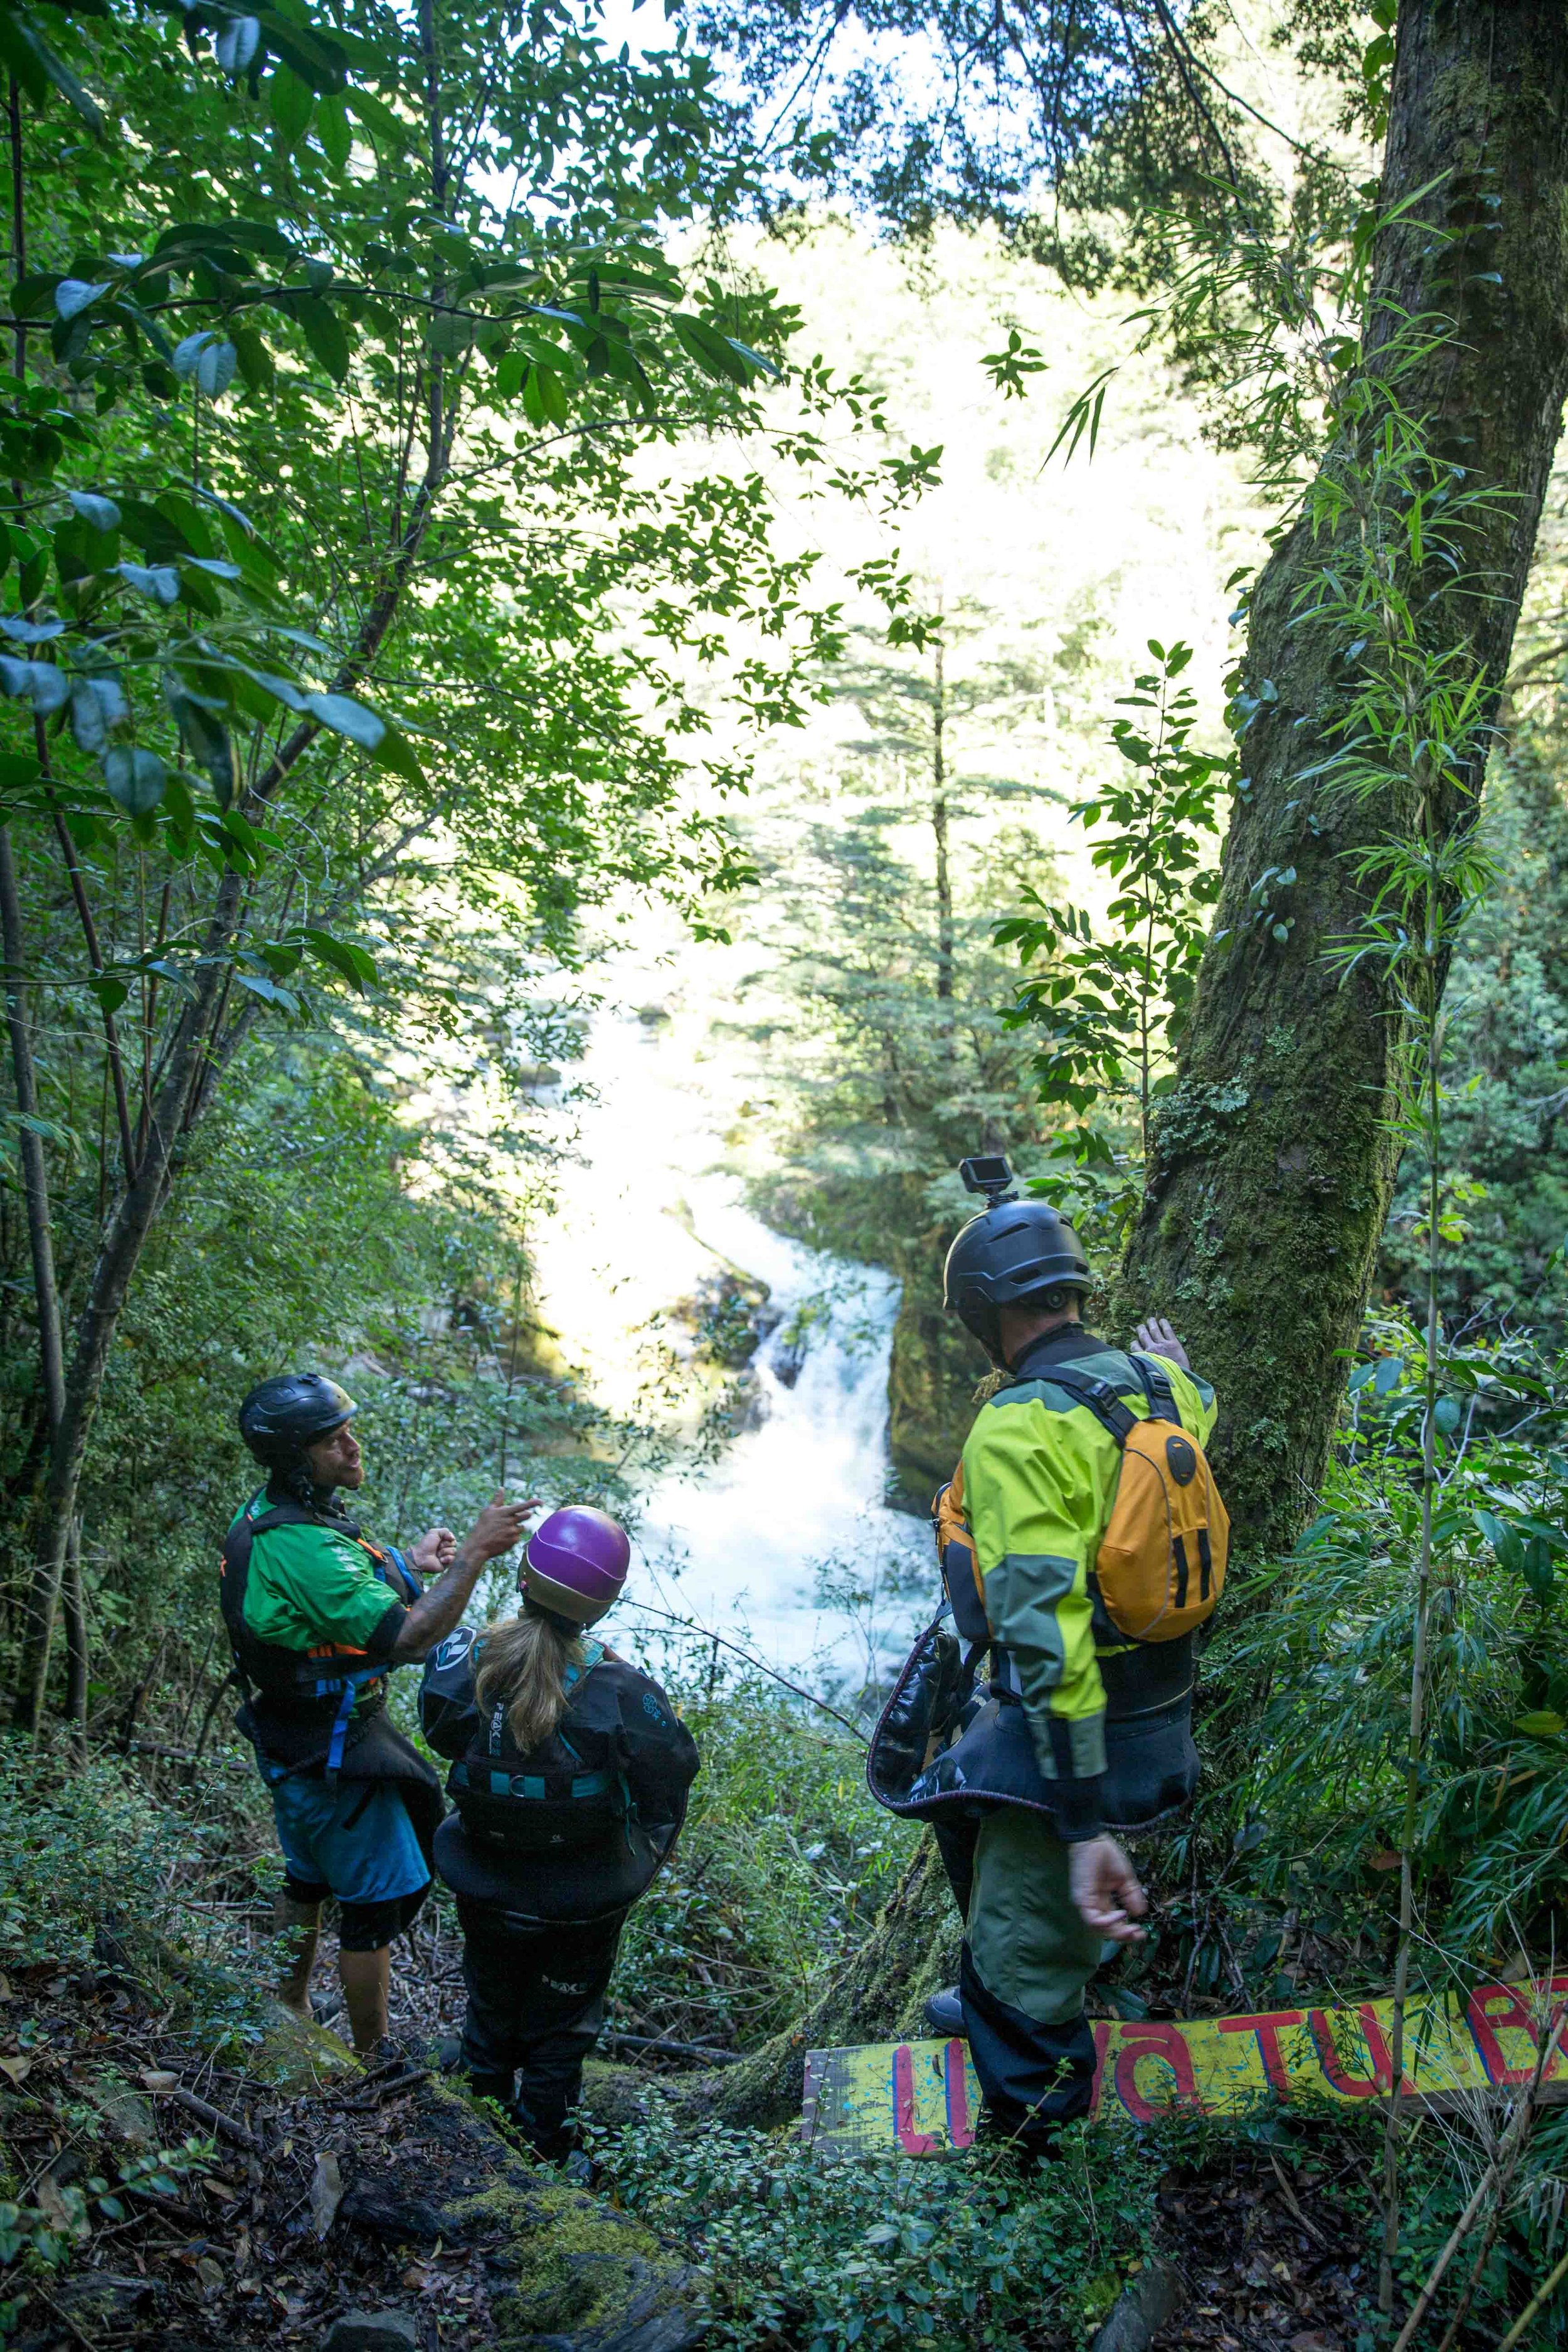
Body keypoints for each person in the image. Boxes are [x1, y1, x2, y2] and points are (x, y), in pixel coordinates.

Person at [867, 1156, 1226, 2160]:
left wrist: (1077, 1815)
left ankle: (1035, 2144)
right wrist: (1184, 1366)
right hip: (1159, 1708)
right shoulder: (1164, 1388)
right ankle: (1017, 1983)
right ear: (1071, 1289)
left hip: (1073, 1731)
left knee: (1020, 1952)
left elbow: (1036, 1625)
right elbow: (1202, 1410)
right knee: (960, 1813)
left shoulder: (1019, 1424)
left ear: (986, 1311)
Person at [223, 1371, 533, 2053]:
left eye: (349, 1433)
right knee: (371, 1909)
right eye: (336, 1442)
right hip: (334, 1756)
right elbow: (411, 1638)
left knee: (307, 1876)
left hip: (293, 1740)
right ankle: (372, 2058)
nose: (354, 1447)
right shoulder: (302, 1549)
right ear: (295, 1458)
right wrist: (476, 1554)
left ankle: (291, 2003)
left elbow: (338, 1578)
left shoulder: (273, 1517)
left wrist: (412, 1561)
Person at [420, 1503, 699, 2159]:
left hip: (483, 1875)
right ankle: (543, 2148)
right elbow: (672, 1775)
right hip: (584, 1894)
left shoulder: (459, 1658)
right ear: (600, 1608)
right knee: (565, 2024)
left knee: (490, 2002)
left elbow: (439, 1732)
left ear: (522, 1575)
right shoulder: (626, 1692)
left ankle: (480, 2137)